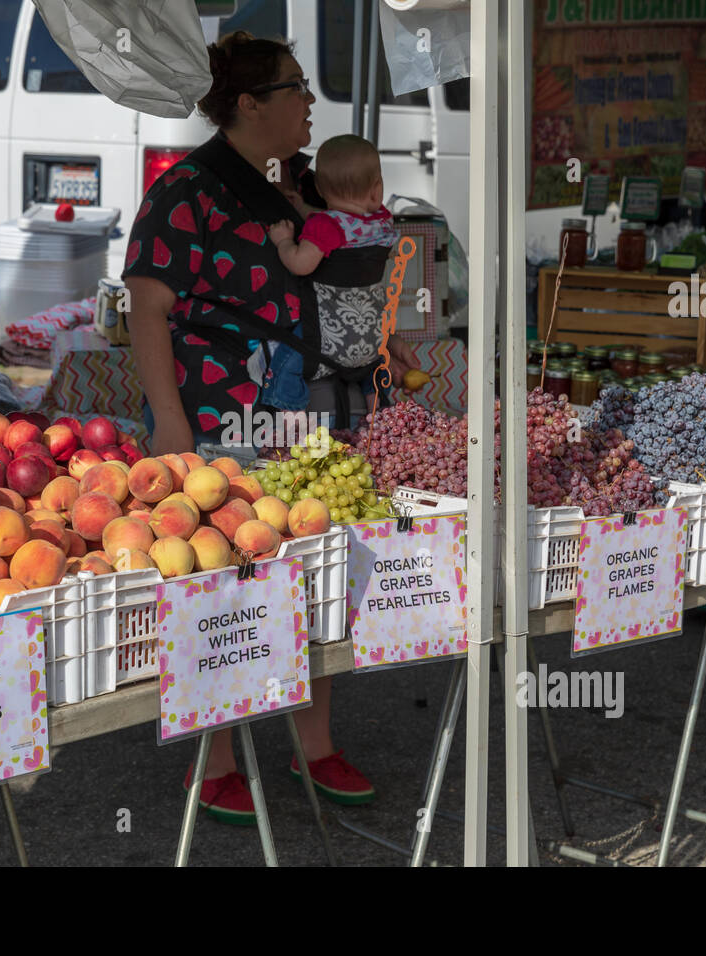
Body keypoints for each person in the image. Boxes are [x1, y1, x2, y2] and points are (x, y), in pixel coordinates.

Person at [123, 31, 420, 824]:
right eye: (296, 87)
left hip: (303, 408)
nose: (310, 102)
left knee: (313, 565)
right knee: (223, 579)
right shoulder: (185, 191)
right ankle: (215, 756)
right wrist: (169, 425)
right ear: (251, 103)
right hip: (215, 412)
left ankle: (314, 743)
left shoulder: (297, 183)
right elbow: (146, 308)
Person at [257, 133, 399, 413]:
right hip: (371, 335)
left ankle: (287, 410)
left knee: (285, 356)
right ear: (376, 189)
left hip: (326, 336)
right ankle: (378, 407)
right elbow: (346, 220)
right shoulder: (383, 221)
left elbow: (301, 264)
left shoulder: (324, 227)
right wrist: (305, 210)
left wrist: (284, 241)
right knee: (373, 366)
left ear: (320, 188)